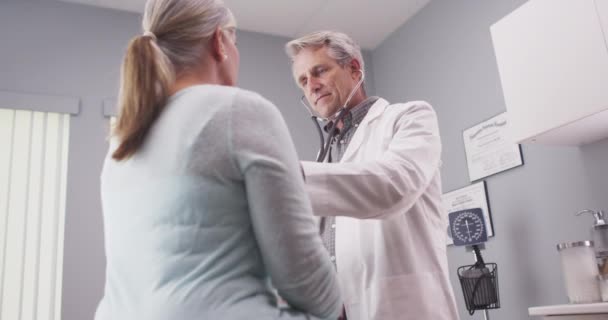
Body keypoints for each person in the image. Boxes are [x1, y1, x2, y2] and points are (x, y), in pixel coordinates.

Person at [95, 1, 342, 319]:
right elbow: (304, 277)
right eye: (235, 41)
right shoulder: (238, 110)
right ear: (219, 42)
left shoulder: (123, 140)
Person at [285, 31, 460, 320]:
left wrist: (281, 177)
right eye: (303, 81)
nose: (312, 86)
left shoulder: (409, 118)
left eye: (320, 71)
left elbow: (392, 185)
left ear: (354, 69)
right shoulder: (324, 157)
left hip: (404, 308)